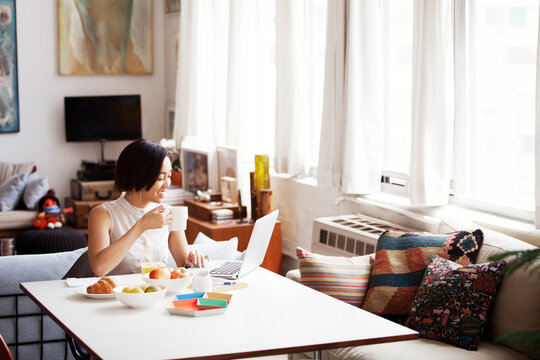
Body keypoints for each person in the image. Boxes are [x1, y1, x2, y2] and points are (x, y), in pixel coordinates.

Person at [87, 139, 208, 277]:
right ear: (138, 176)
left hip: (159, 294)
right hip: (118, 297)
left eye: (169, 176)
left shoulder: (168, 213)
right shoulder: (103, 214)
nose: (167, 184)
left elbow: (184, 266)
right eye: (161, 178)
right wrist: (141, 225)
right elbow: (99, 268)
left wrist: (192, 261)